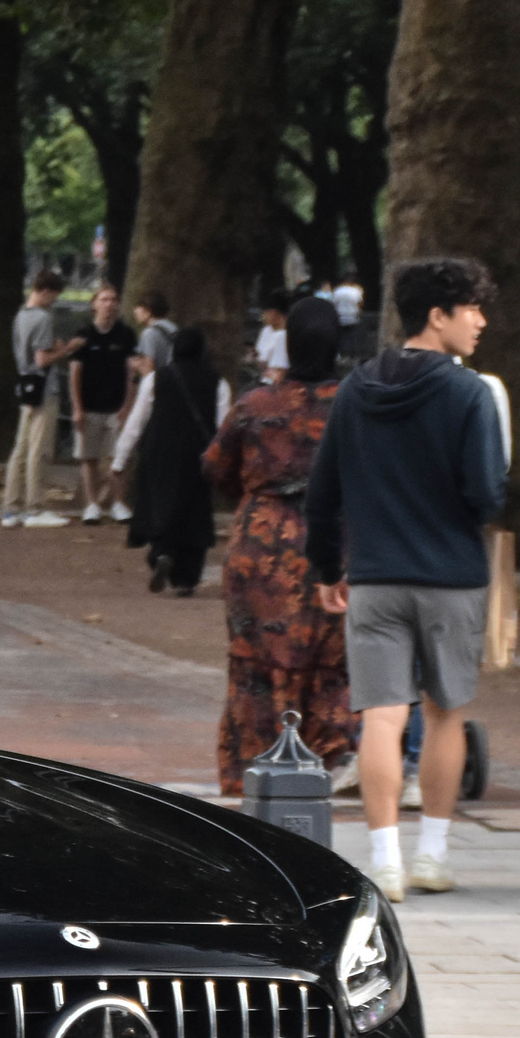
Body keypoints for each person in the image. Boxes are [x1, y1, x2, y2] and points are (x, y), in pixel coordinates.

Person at [306, 257, 506, 902]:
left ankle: (384, 860)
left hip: (375, 575)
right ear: (437, 315)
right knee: (446, 715)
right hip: (452, 575)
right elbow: (485, 493)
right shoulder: (471, 394)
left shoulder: (356, 390)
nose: (480, 320)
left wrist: (326, 567)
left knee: (382, 718)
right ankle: (434, 855)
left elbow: (323, 490)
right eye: (471, 307)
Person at [205, 296, 354, 795]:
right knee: (334, 662)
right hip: (336, 545)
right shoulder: (355, 405)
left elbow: (214, 468)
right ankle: (325, 761)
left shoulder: (255, 405)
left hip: (261, 549)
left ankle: (250, 771)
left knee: (254, 663)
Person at [117, 325, 230, 593]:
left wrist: (119, 459)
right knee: (195, 511)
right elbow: (225, 425)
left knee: (161, 504)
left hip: (160, 453)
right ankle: (187, 578)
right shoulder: (218, 382)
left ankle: (162, 552)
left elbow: (136, 421)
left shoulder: (156, 378)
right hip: (199, 455)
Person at [3, 269, 76, 528]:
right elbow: (42, 359)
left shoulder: (20, 316)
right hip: (44, 387)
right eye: (53, 296)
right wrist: (66, 350)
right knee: (38, 449)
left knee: (20, 448)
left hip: (26, 385)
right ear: (46, 292)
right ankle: (35, 507)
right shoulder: (43, 318)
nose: (53, 301)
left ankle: (11, 507)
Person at [67, 282, 136, 524]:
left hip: (116, 406)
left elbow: (130, 373)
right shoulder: (83, 334)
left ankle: (118, 502)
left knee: (119, 457)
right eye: (104, 299)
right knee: (89, 457)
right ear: (94, 304)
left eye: (113, 299)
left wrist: (128, 405)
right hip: (89, 406)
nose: (109, 304)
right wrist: (77, 407)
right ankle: (92, 504)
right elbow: (75, 372)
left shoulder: (126, 334)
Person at [254, 287, 294, 383]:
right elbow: (260, 358)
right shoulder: (266, 331)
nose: (263, 317)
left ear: (274, 313)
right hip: (264, 380)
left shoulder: (285, 335)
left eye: (265, 313)